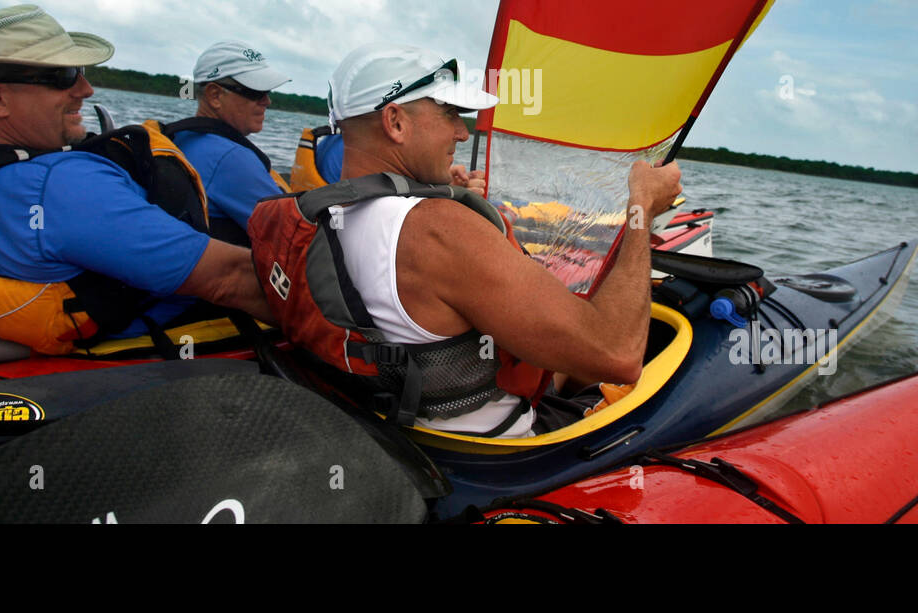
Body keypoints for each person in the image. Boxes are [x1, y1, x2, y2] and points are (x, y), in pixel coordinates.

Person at [249, 43, 682, 437]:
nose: (461, 133)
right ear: (395, 121)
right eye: (449, 114)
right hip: (498, 460)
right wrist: (642, 208)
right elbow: (618, 353)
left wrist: (439, 196)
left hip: (394, 432)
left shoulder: (323, 215)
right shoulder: (438, 228)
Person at [0, 4, 274, 350]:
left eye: (82, 73)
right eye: (63, 76)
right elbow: (230, 278)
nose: (86, 89)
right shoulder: (64, 185)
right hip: (157, 348)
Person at [165, 41, 291, 244]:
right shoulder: (229, 158)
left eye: (268, 92)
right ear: (215, 95)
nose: (267, 101)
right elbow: (293, 235)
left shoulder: (181, 138)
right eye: (256, 92)